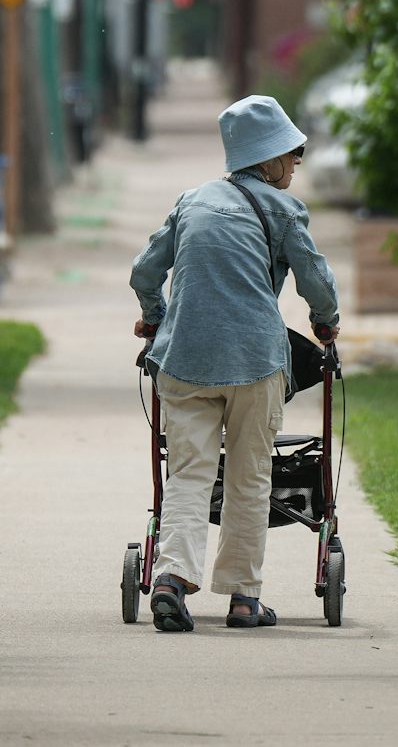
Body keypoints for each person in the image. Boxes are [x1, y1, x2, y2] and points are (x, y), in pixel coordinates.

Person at [129, 94, 340, 633]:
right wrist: (326, 322)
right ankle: (244, 600)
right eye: (292, 153)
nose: (296, 162)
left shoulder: (192, 201)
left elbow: (144, 272)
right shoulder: (285, 210)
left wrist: (154, 317)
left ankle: (171, 581)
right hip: (255, 362)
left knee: (188, 473)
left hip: (184, 359)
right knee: (250, 476)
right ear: (268, 160)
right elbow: (315, 279)